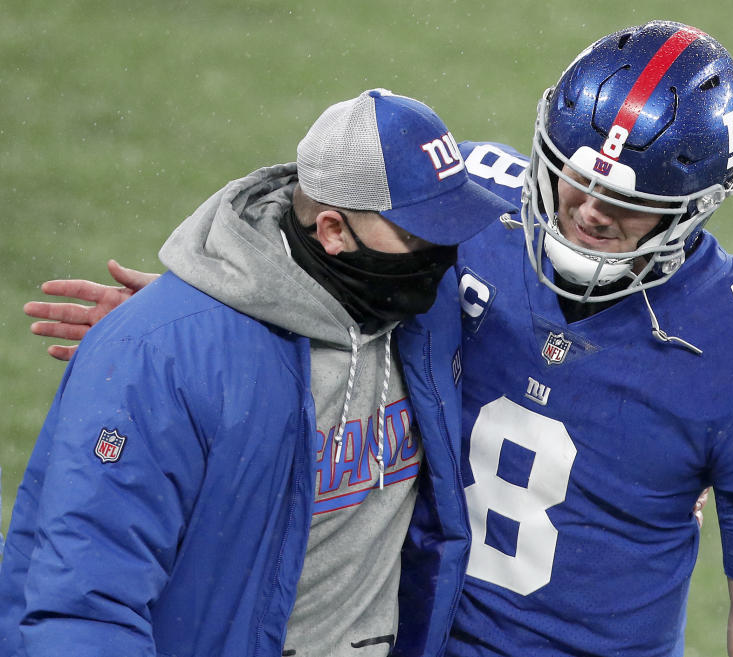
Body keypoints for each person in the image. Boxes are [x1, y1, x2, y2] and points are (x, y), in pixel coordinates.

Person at [19, 21, 733, 657]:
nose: (586, 211)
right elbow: (324, 233)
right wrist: (201, 321)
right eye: (573, 177)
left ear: (695, 206)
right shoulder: (470, 211)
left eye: (626, 207)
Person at [0, 88, 516, 657]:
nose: (443, 253)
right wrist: (179, 336)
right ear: (333, 231)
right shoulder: (162, 359)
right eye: (418, 235)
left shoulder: (425, 312)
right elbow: (84, 604)